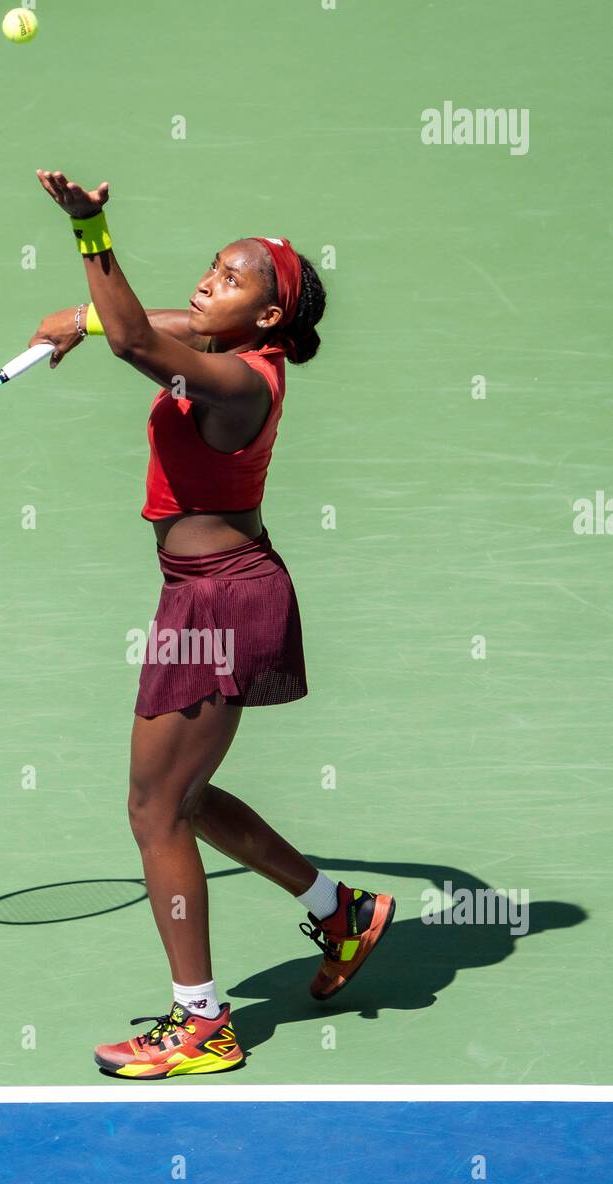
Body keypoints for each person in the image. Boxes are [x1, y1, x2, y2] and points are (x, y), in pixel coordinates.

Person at [29, 169, 395, 1079]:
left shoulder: (239, 383)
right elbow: (154, 326)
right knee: (185, 798)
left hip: (220, 602)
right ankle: (336, 907)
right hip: (207, 591)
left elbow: (135, 341)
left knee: (155, 809)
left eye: (231, 280)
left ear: (268, 320)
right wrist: (81, 317)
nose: (207, 285)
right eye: (212, 268)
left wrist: (92, 236)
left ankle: (202, 1024)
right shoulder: (238, 344)